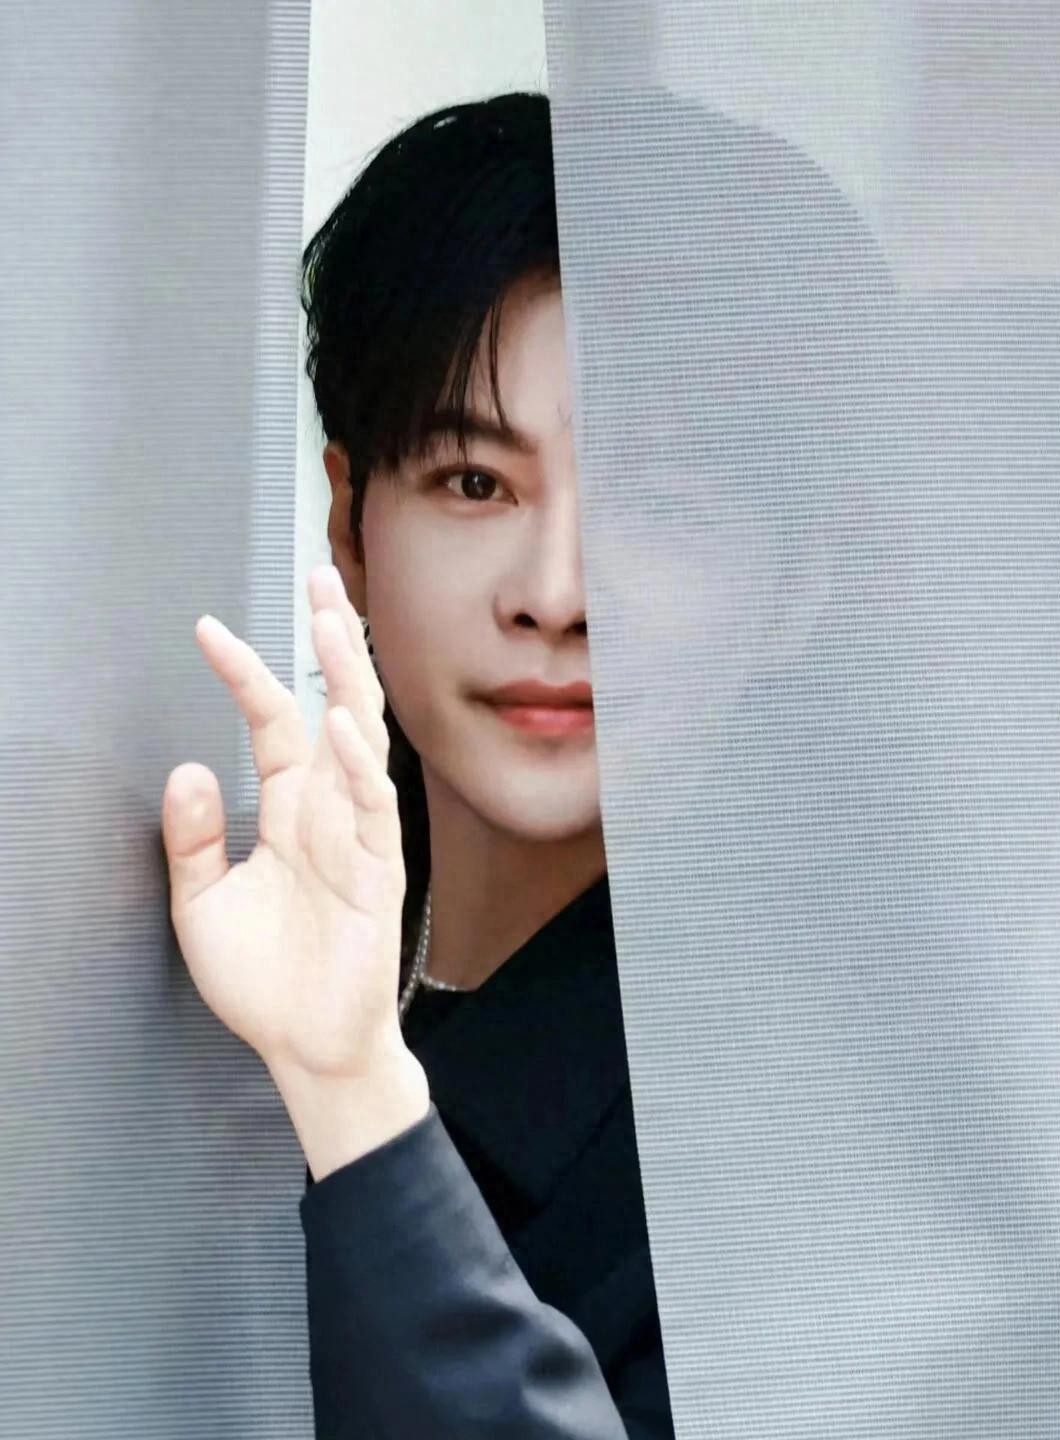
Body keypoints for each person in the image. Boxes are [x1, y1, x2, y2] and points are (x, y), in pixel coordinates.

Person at [162, 91, 675, 1438]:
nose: (554, 594)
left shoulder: (846, 1121)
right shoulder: (213, 934)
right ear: (350, 520)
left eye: (651, 500)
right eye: (473, 483)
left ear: (801, 578)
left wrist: (353, 1095)